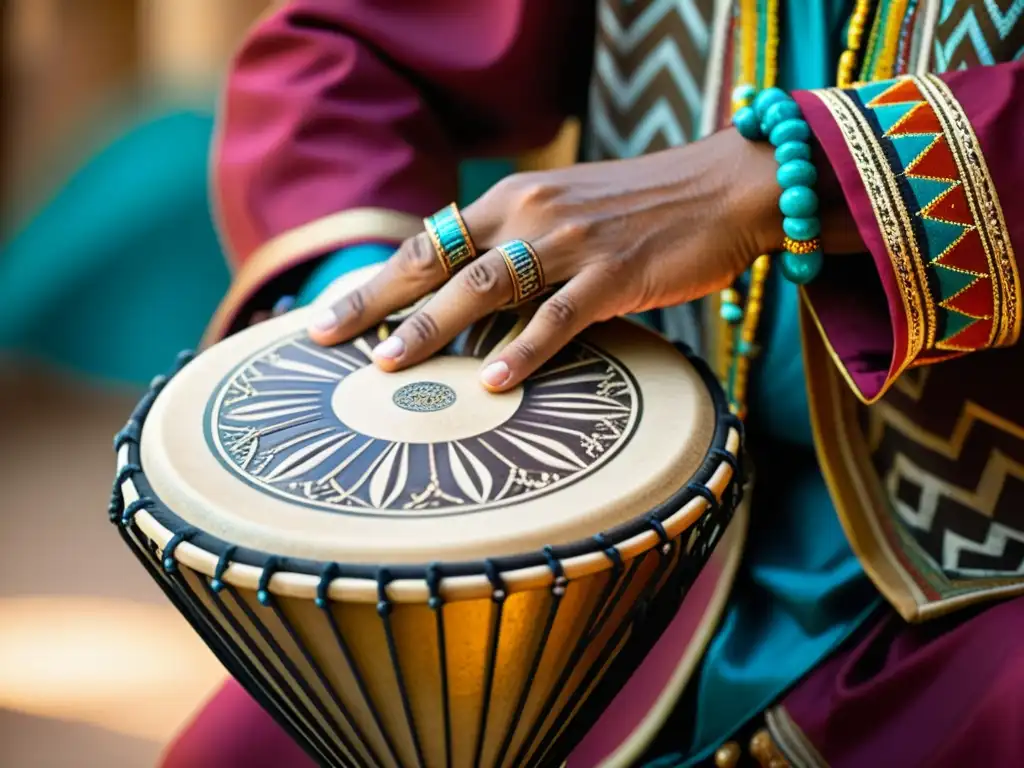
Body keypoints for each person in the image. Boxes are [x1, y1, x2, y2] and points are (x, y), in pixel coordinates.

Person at [164, 1, 1024, 766]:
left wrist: (768, 183)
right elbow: (351, 53)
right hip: (620, 533)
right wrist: (379, 309)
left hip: (990, 566)